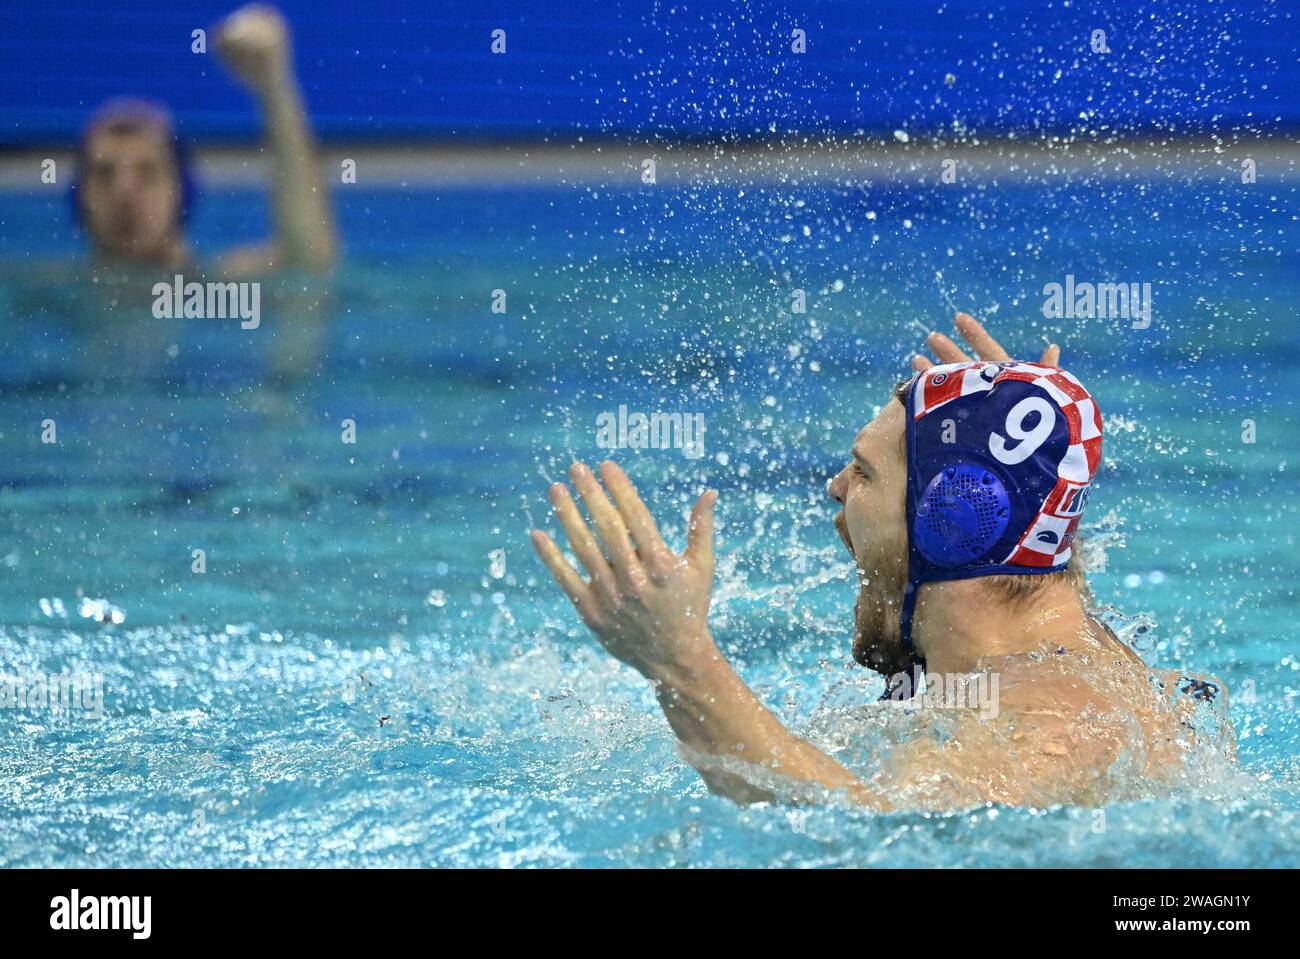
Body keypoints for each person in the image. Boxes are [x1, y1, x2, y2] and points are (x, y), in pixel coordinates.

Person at [529, 313, 1234, 810]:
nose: (836, 488)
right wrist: (1036, 444)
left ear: (953, 520)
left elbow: (872, 838)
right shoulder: (1063, 651)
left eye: (864, 473)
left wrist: (682, 661)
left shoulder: (1049, 724)